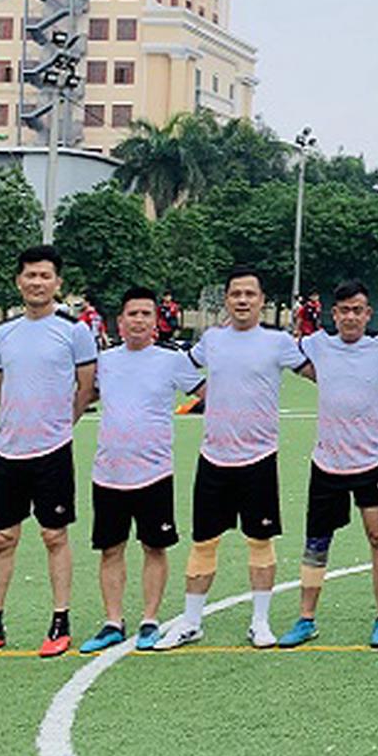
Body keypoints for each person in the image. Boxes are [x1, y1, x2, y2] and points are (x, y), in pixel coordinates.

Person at [155, 265, 311, 650]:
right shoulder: (212, 340)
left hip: (259, 459)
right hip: (214, 458)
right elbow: (181, 366)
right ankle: (192, 621)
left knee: (260, 540)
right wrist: (200, 390)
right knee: (204, 542)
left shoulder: (278, 342)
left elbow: (318, 371)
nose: (242, 300)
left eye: (249, 294)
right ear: (226, 299)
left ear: (261, 300)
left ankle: (260, 622)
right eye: (236, 294)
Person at [0, 246, 97, 659]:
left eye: (45, 276)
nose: (37, 282)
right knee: (2, 538)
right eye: (30, 275)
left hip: (52, 451)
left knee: (54, 535)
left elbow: (85, 387)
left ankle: (60, 620)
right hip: (8, 451)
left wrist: (62, 423)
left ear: (57, 283)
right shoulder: (3, 334)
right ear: (19, 281)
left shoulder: (74, 331)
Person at [278, 280, 378, 650]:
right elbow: (290, 358)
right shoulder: (317, 344)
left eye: (357, 310)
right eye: (344, 310)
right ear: (334, 314)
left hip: (371, 462)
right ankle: (306, 619)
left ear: (368, 314)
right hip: (327, 463)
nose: (351, 317)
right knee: (316, 543)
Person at [79, 287, 205, 654]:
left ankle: (150, 620)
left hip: (154, 473)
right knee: (110, 549)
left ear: (155, 321)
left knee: (154, 547)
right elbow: (84, 394)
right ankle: (112, 622)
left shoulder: (172, 361)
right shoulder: (104, 361)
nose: (138, 320)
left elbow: (208, 393)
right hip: (108, 473)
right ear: (120, 321)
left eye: (145, 314)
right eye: (132, 314)